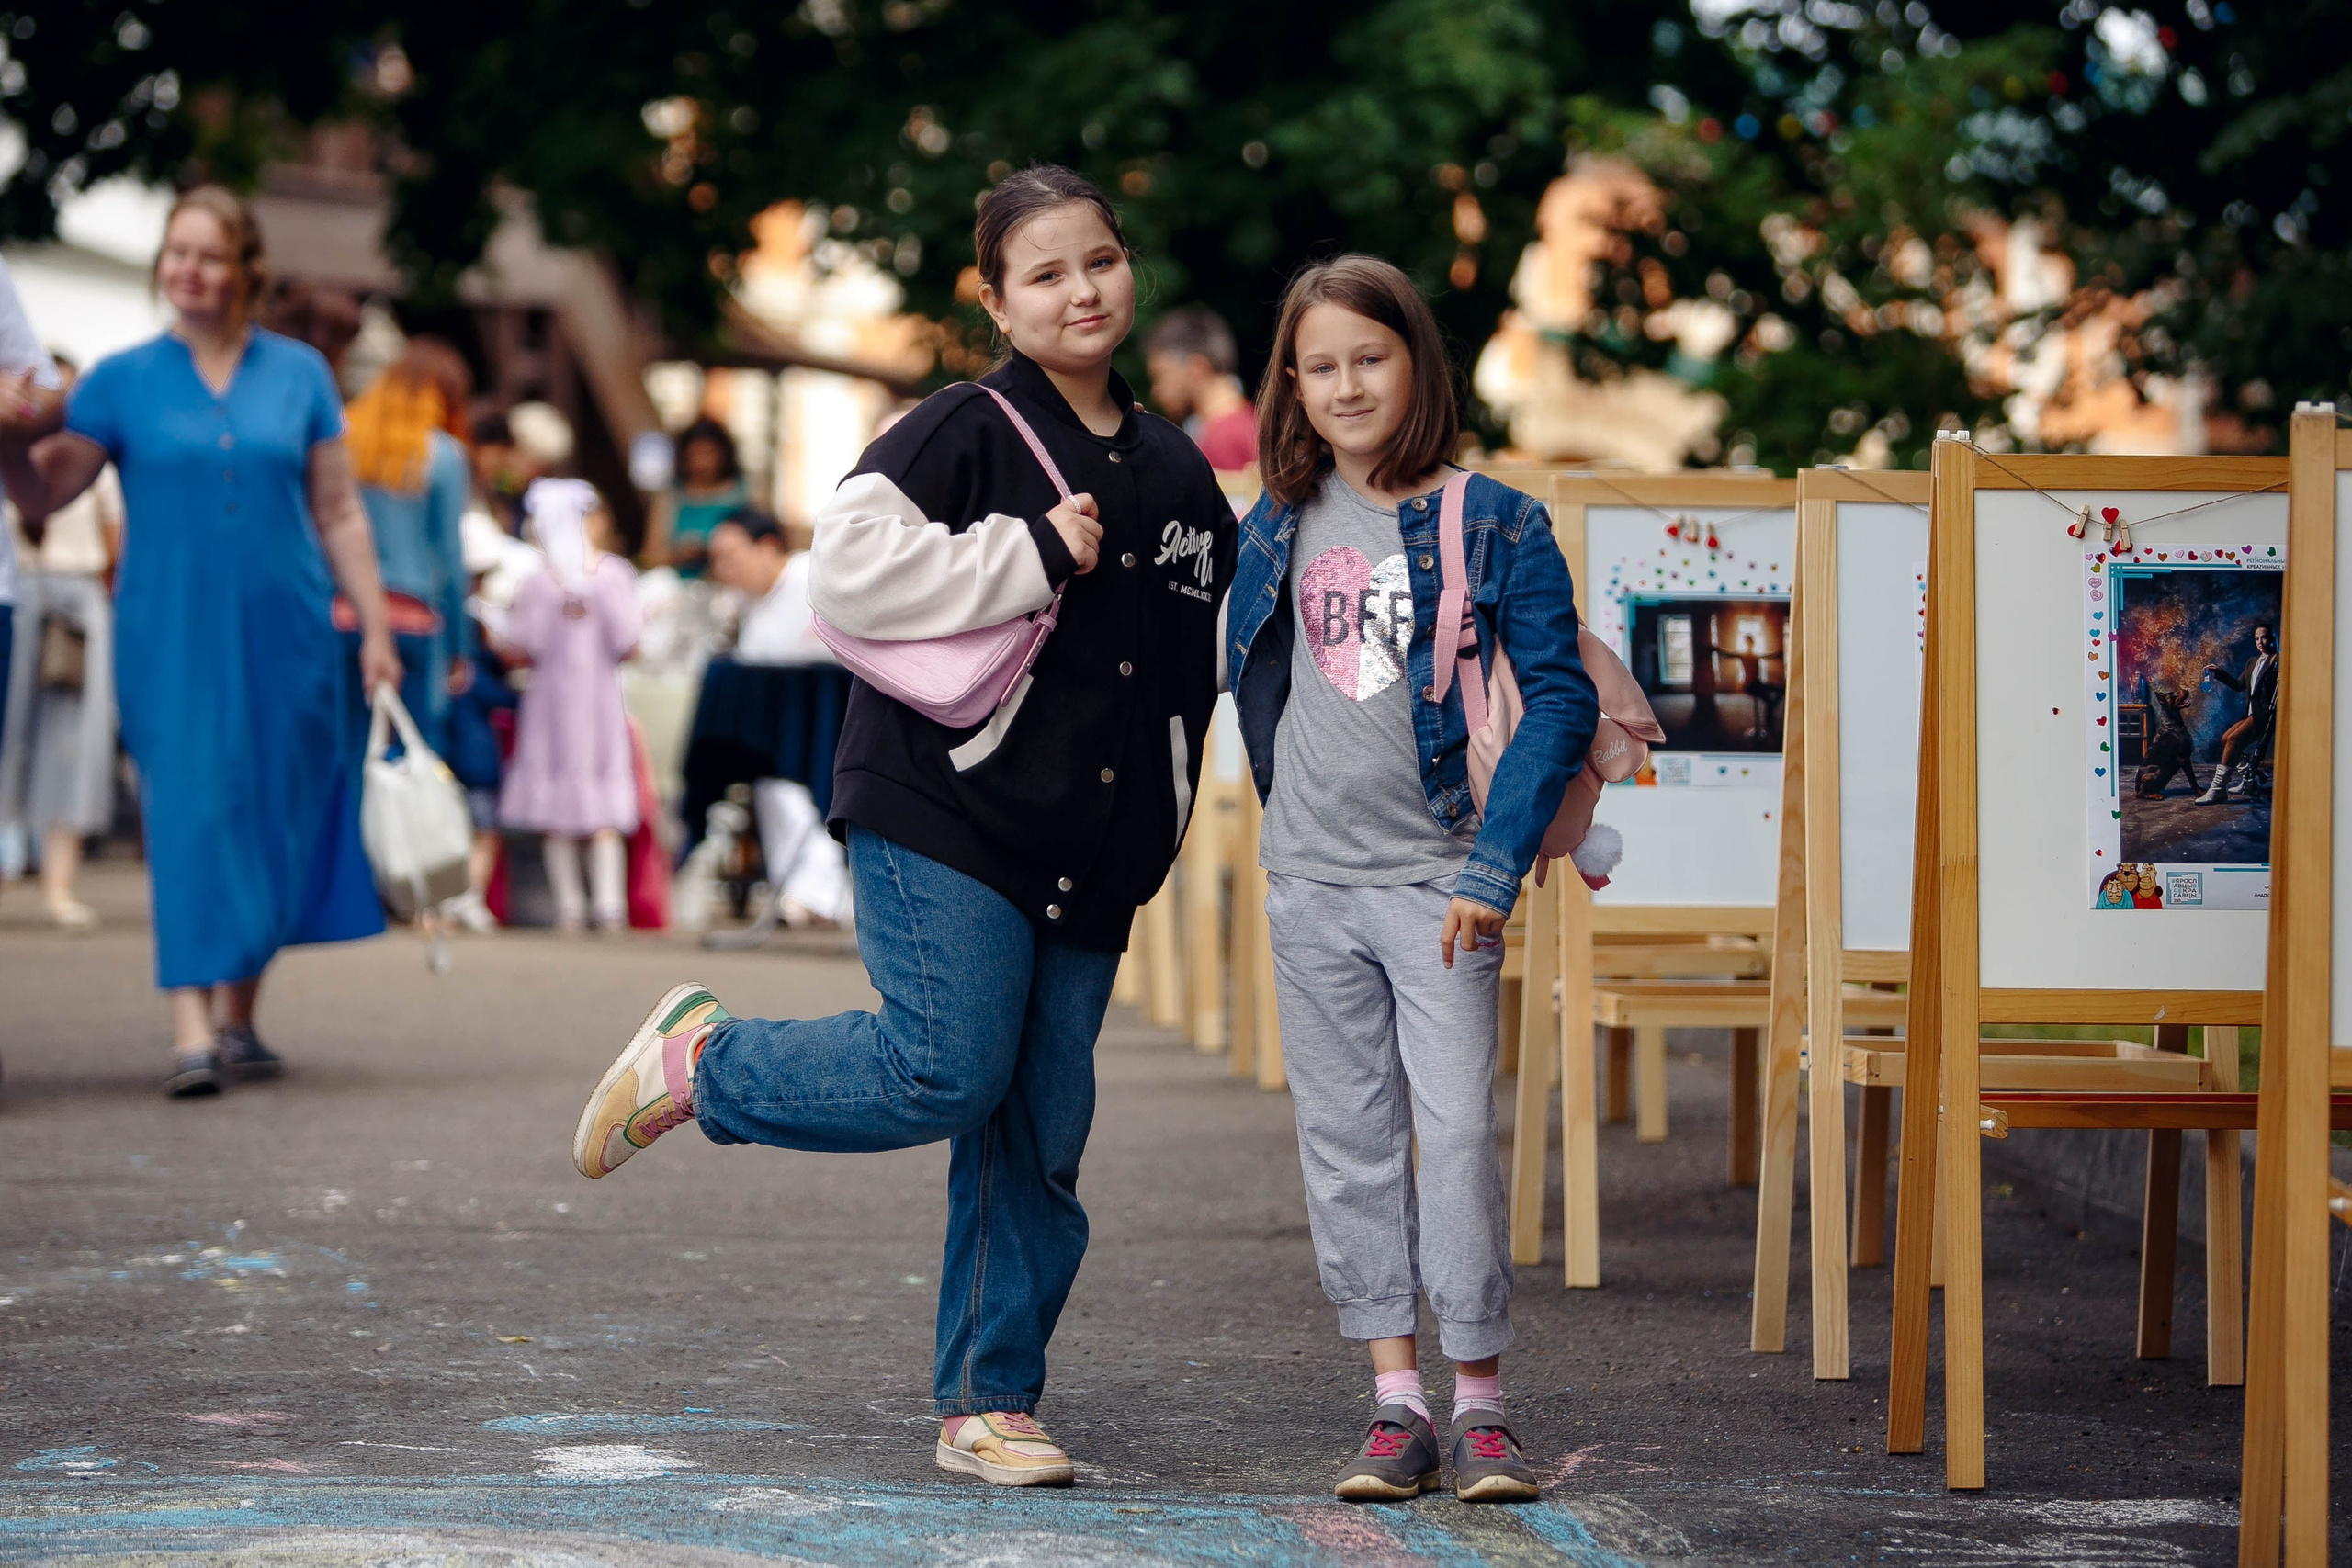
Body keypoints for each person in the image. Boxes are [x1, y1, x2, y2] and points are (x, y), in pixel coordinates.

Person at [566, 164, 1233, 1487]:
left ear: (1128, 267)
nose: (1080, 289)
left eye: (1097, 260)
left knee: (1038, 1131)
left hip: (1093, 851)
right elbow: (847, 568)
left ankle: (990, 1400)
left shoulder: (1171, 467)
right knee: (945, 1066)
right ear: (994, 297)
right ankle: (712, 1060)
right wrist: (1031, 551)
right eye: (1043, 272)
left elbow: (1225, 642)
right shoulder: (958, 428)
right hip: (948, 806)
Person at [1227, 255, 1599, 1503]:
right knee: (1347, 1143)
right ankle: (1397, 1403)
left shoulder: (1498, 518)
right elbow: (1243, 672)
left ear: (1417, 363)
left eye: (1369, 358)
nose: (1345, 384)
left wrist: (1495, 864)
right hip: (1311, 880)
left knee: (1455, 1134)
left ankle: (1482, 1403)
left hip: (1445, 881)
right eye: (1320, 364)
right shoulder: (1275, 520)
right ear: (1292, 379)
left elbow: (1560, 699)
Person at [7, 185, 399, 1097]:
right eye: (176, 253)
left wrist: (374, 624)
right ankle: (191, 1029)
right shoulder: (116, 378)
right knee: (188, 810)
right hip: (167, 634)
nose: (188, 269)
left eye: (209, 255)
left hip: (290, 632)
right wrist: (7, 440)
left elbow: (337, 509)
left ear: (243, 269)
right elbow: (42, 497)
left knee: (273, 811)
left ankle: (238, 1018)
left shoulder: (300, 373)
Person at [0, 352, 120, 929]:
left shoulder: (90, 458)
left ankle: (56, 882)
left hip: (69, 601)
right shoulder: (16, 456)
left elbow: (114, 539)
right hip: (30, 595)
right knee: (18, 734)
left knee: (68, 742)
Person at [497, 479, 641, 932]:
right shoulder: (612, 574)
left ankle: (572, 907)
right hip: (597, 702)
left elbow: (526, 642)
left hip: (554, 704)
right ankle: (607, 905)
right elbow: (630, 639)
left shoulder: (539, 581)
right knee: (602, 811)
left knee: (557, 811)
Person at [706, 505, 850, 925]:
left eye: (731, 556)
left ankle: (818, 894)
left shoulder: (811, 577)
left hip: (831, 718)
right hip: (784, 723)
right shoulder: (746, 602)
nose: (723, 569)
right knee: (769, 777)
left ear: (766, 547)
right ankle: (805, 891)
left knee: (794, 784)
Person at [345, 337, 473, 758]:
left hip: (341, 616)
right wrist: (459, 646)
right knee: (412, 757)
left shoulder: (346, 441)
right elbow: (450, 559)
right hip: (412, 620)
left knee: (347, 758)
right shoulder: (443, 455)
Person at [1143, 305, 1256, 471]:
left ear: (1197, 368)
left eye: (1160, 376)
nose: (1155, 392)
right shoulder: (1251, 424)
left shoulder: (1222, 439)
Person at [643, 416, 748, 577]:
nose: (703, 462)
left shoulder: (743, 496)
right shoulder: (671, 498)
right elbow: (651, 557)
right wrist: (680, 554)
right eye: (696, 454)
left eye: (709, 453)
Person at [2195, 623, 2278, 804]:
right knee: (2226, 739)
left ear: (2272, 638)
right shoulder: (2252, 662)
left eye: (2264, 637)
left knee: (2234, 740)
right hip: (2250, 713)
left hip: (2266, 715)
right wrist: (2219, 673)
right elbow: (2238, 685)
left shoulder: (2278, 662)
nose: (2260, 642)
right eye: (2257, 638)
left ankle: (2217, 790)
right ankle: (2249, 780)